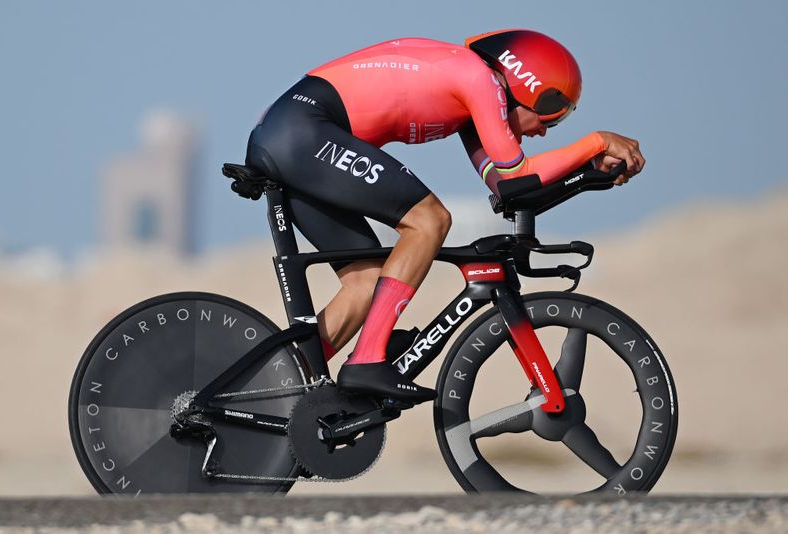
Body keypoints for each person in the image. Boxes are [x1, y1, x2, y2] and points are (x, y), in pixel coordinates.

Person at [246, 29, 645, 404]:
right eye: (550, 116)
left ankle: (276, 392)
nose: (545, 131)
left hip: (293, 134)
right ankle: (367, 359)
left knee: (366, 282)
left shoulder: (471, 105)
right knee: (430, 219)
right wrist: (597, 141)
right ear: (526, 86)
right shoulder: (479, 80)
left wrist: (591, 175)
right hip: (302, 131)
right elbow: (518, 172)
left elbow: (509, 188)